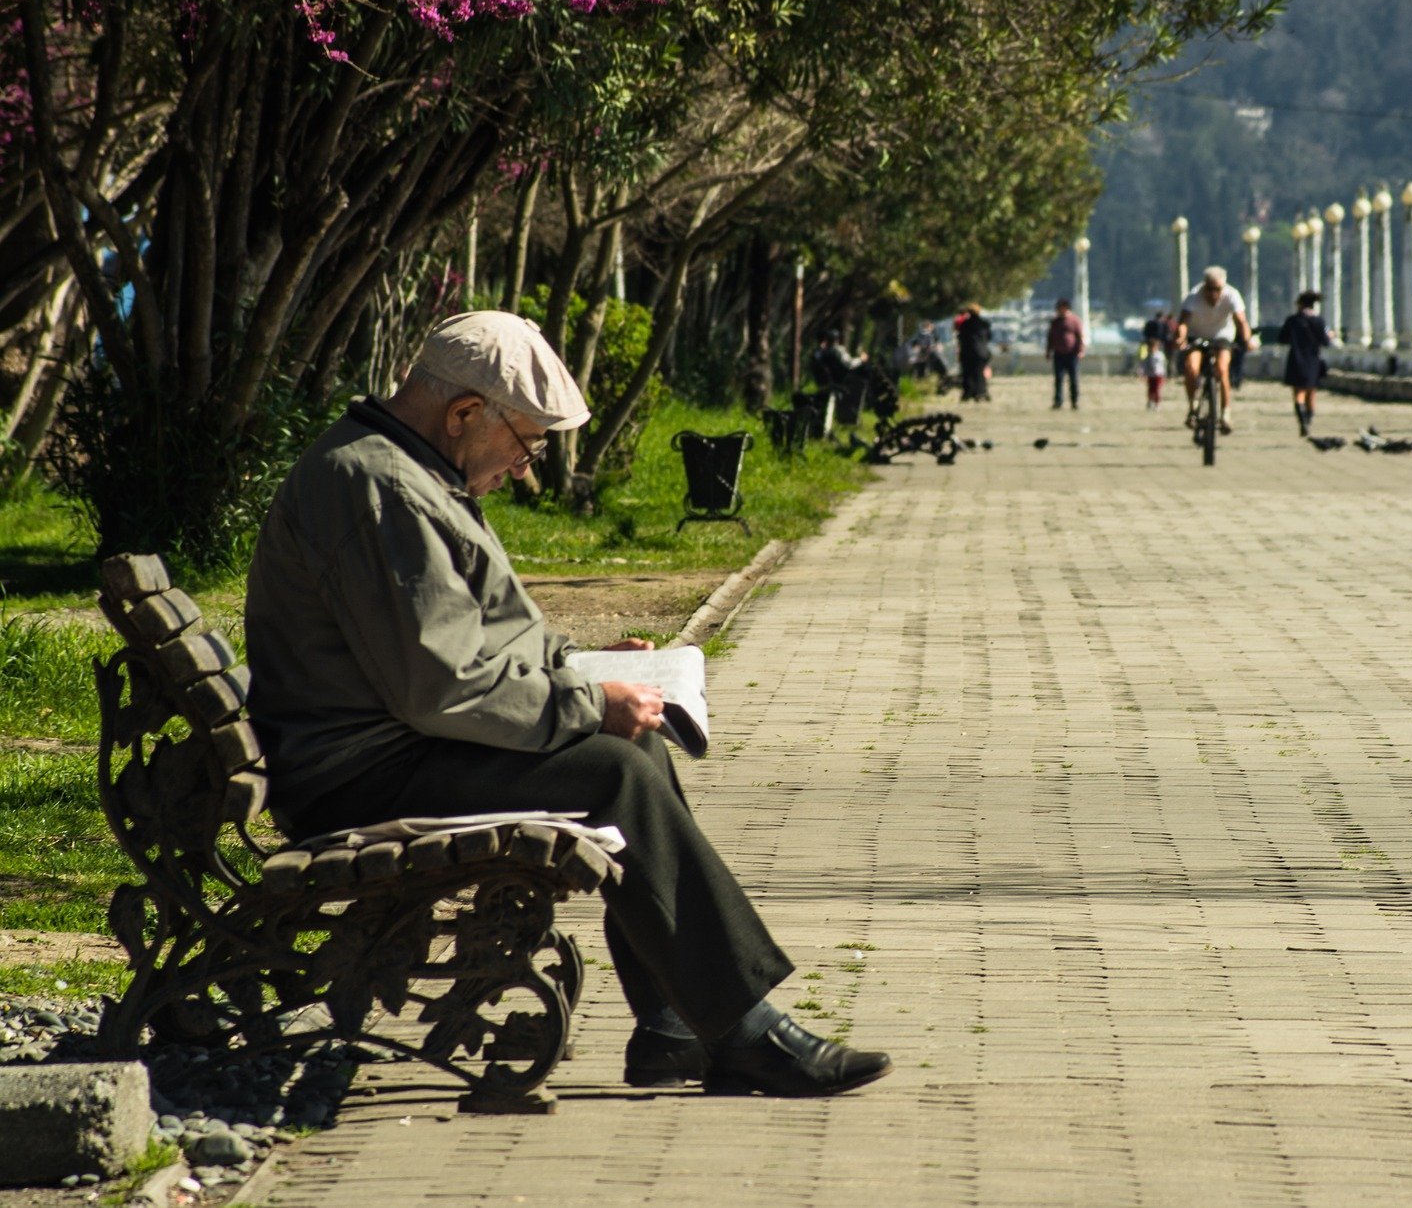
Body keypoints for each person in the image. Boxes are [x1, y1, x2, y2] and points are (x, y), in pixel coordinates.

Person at [245, 311, 893, 1098]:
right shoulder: (382, 489)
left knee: (636, 750)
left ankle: (677, 1026)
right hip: (361, 774)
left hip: (393, 749)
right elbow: (440, 687)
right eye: (525, 444)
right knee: (613, 771)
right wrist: (586, 703)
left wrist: (581, 669)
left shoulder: (407, 472)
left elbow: (466, 647)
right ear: (463, 414)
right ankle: (748, 1033)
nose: (524, 470)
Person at [1175, 266, 1254, 435]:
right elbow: (1183, 323)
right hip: (1197, 335)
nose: (1213, 294)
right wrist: (1180, 338)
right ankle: (1193, 405)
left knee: (1222, 369)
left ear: (1223, 287)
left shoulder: (1232, 295)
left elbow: (1241, 322)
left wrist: (1247, 340)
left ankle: (1225, 413)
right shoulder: (1194, 296)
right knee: (1191, 367)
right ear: (1204, 286)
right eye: (1209, 289)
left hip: (1222, 336)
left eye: (1218, 289)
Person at [1278, 290, 1331, 437]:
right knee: (1311, 393)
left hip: (1295, 359)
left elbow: (1282, 338)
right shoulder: (1319, 321)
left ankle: (1302, 423)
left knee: (1298, 394)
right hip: (1313, 360)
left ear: (1300, 304)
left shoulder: (1292, 320)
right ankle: (1308, 420)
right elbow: (1326, 342)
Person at [1047, 298, 1088, 410]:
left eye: (1061, 308)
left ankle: (1075, 401)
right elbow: (1050, 338)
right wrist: (1048, 351)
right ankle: (1058, 401)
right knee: (1058, 379)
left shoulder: (1074, 321)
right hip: (1058, 354)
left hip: (1072, 355)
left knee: (1073, 379)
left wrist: (1081, 350)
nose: (1059, 310)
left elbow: (1080, 336)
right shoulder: (1055, 322)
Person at [955, 303, 993, 402]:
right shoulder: (985, 324)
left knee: (967, 373)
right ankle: (981, 392)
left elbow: (960, 337)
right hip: (982, 352)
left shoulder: (965, 325)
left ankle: (968, 393)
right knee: (980, 373)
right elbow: (989, 337)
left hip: (967, 352)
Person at [1142, 338, 1167, 411]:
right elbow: (1145, 365)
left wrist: (1164, 374)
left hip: (1158, 375)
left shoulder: (1159, 355)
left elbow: (1162, 365)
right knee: (1150, 390)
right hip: (1150, 375)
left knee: (1157, 390)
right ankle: (1150, 402)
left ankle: (1157, 404)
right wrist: (1144, 374)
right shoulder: (1148, 356)